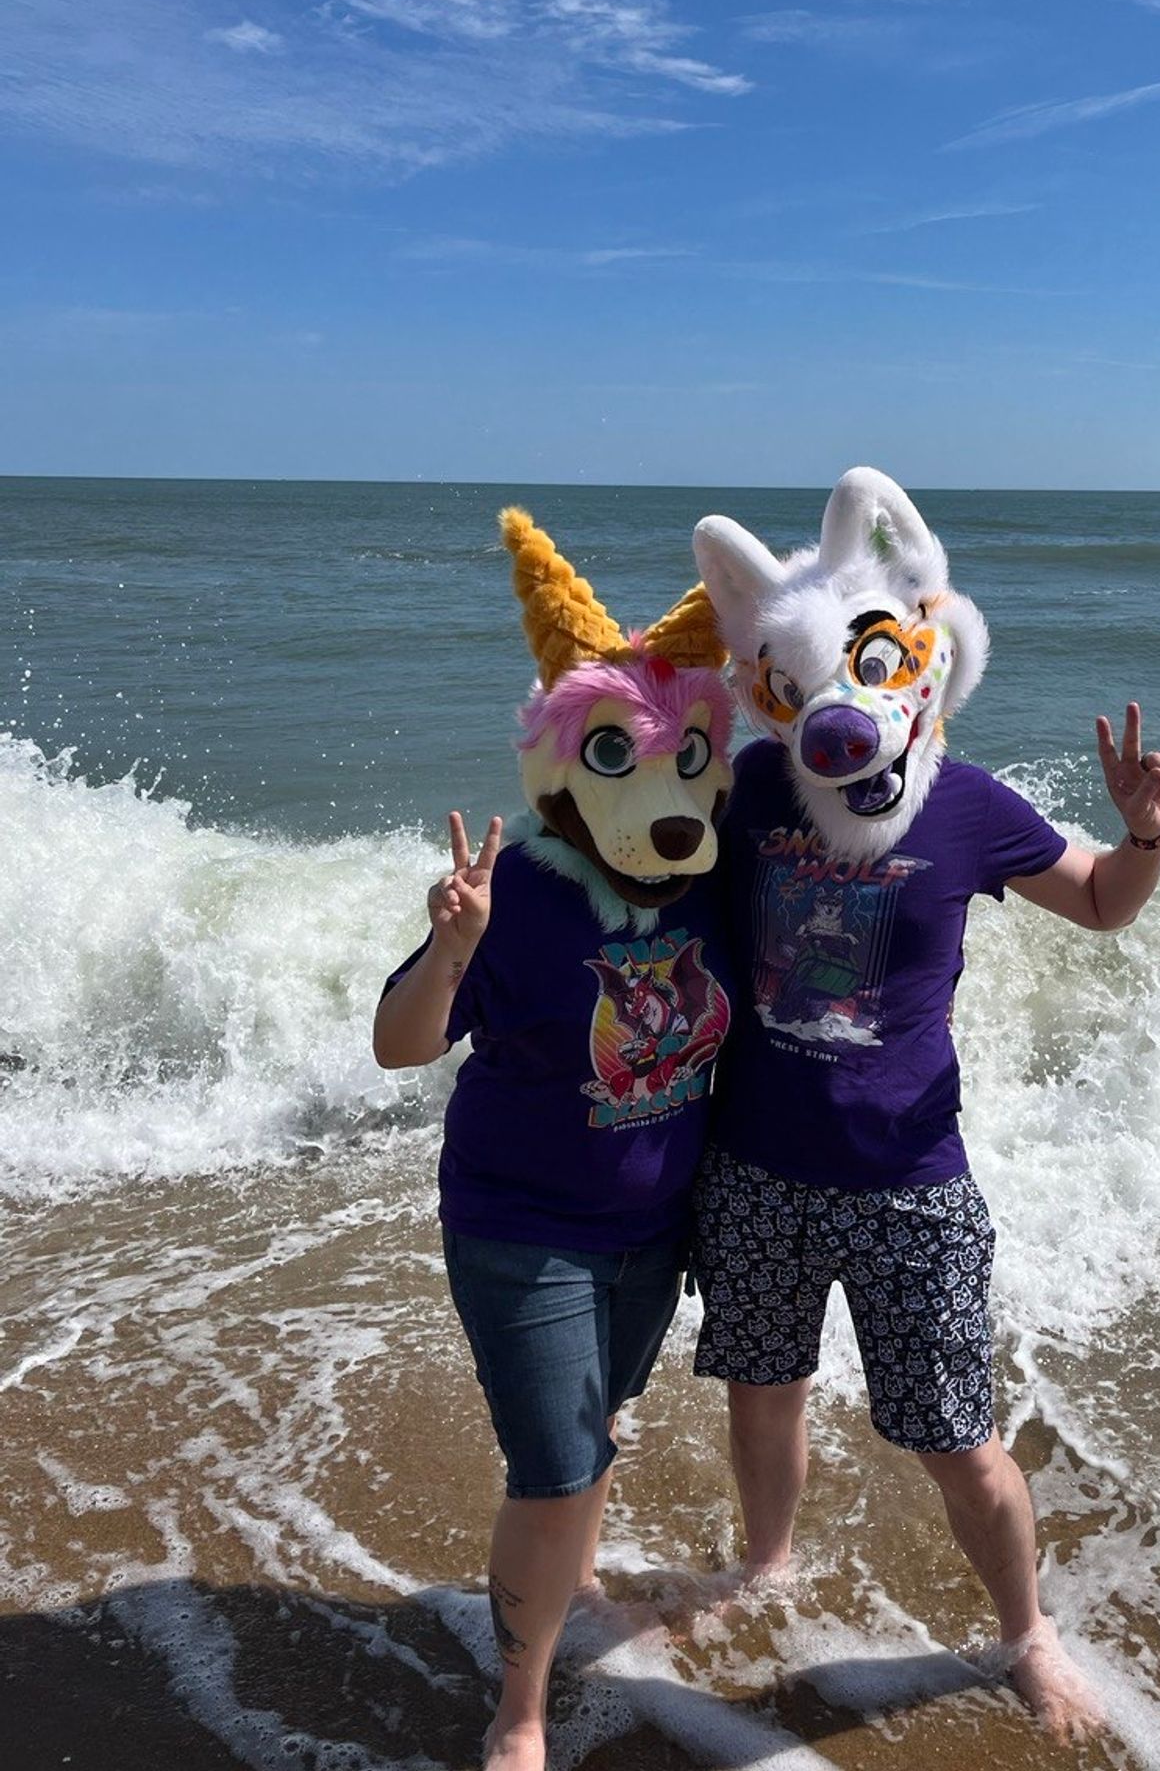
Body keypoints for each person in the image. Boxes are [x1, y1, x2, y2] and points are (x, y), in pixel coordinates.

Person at [691, 468, 1160, 1742]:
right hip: (756, 1164)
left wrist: (1143, 839)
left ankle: (1027, 1631)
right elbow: (645, 839)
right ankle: (767, 1563)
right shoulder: (755, 786)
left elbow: (1098, 903)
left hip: (912, 1175)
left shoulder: (967, 805)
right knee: (763, 1391)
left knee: (958, 1437)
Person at [374, 507, 734, 1771]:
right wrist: (454, 944)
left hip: (654, 1230)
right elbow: (401, 1046)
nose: (670, 799)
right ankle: (517, 1709)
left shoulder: (716, 872)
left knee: (593, 1434)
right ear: (561, 761)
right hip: (520, 1223)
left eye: (690, 757)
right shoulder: (515, 892)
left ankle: (563, 1579)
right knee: (556, 1464)